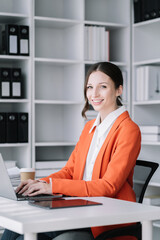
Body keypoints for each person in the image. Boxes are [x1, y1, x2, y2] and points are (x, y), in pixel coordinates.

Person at [1, 62, 141, 240]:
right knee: (16, 226)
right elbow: (70, 171)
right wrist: (39, 183)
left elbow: (108, 186)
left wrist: (52, 186)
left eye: (103, 87)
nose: (94, 94)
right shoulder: (90, 127)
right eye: (90, 87)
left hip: (106, 216)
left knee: (25, 236)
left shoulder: (128, 129)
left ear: (119, 90)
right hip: (81, 207)